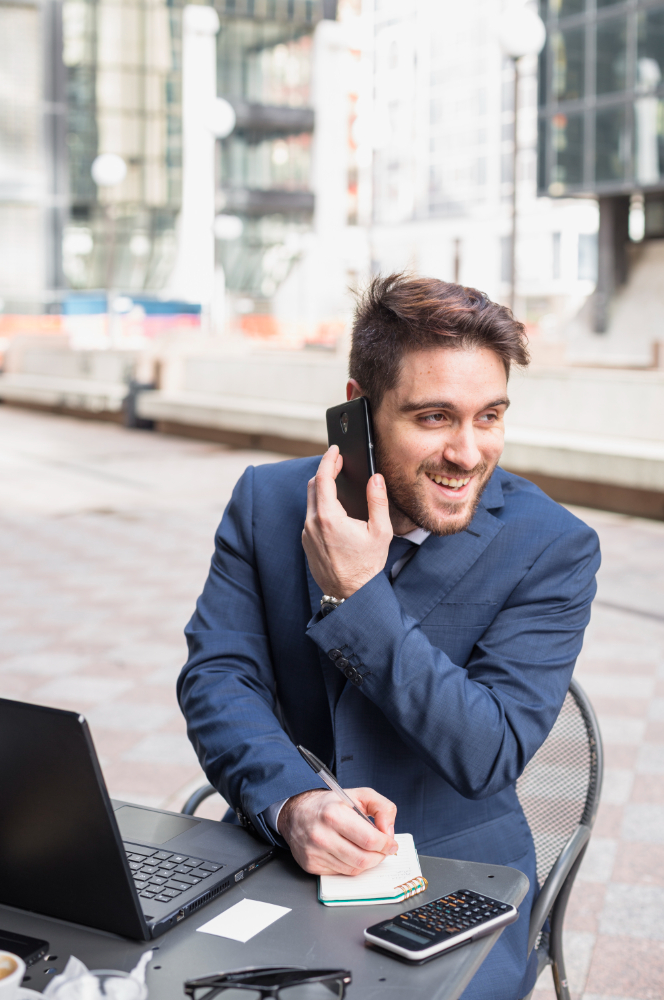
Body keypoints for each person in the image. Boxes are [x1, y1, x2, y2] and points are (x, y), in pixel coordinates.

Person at [178, 275, 600, 1000]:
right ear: (359, 407)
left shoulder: (552, 546)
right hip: (274, 858)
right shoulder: (266, 501)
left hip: (452, 883)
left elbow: (488, 752)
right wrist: (291, 803)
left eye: (489, 416)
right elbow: (218, 677)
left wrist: (358, 595)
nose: (467, 453)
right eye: (434, 417)